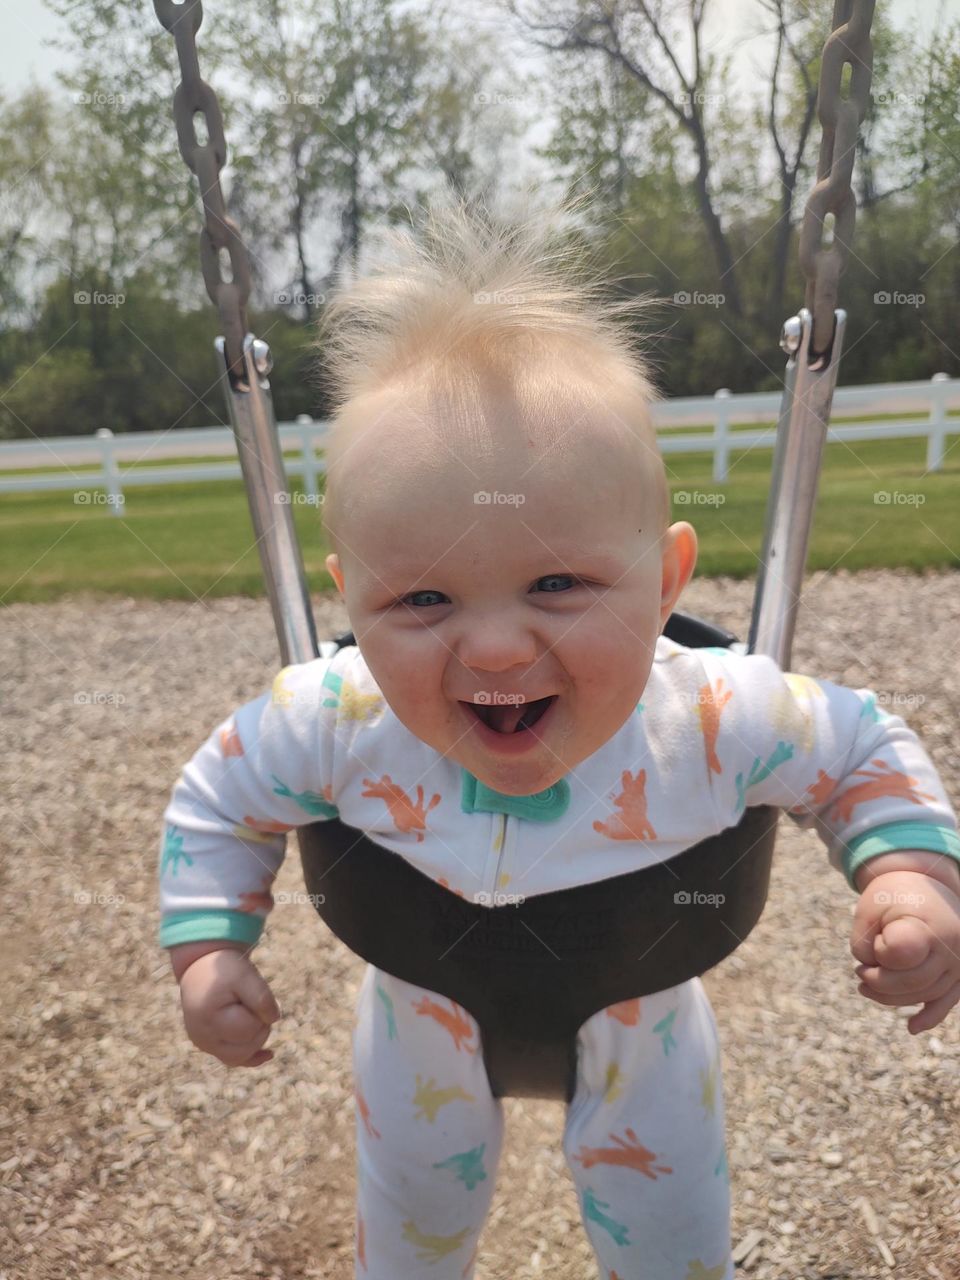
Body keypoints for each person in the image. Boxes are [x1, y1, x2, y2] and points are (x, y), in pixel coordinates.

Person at [159, 193, 960, 1280]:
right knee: (406, 1231)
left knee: (674, 1234)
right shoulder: (337, 713)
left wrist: (911, 877)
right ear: (353, 602)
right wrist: (208, 948)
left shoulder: (715, 713)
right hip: (418, 1017)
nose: (493, 648)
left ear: (667, 579)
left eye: (556, 582)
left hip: (648, 1021)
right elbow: (222, 795)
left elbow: (861, 748)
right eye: (424, 600)